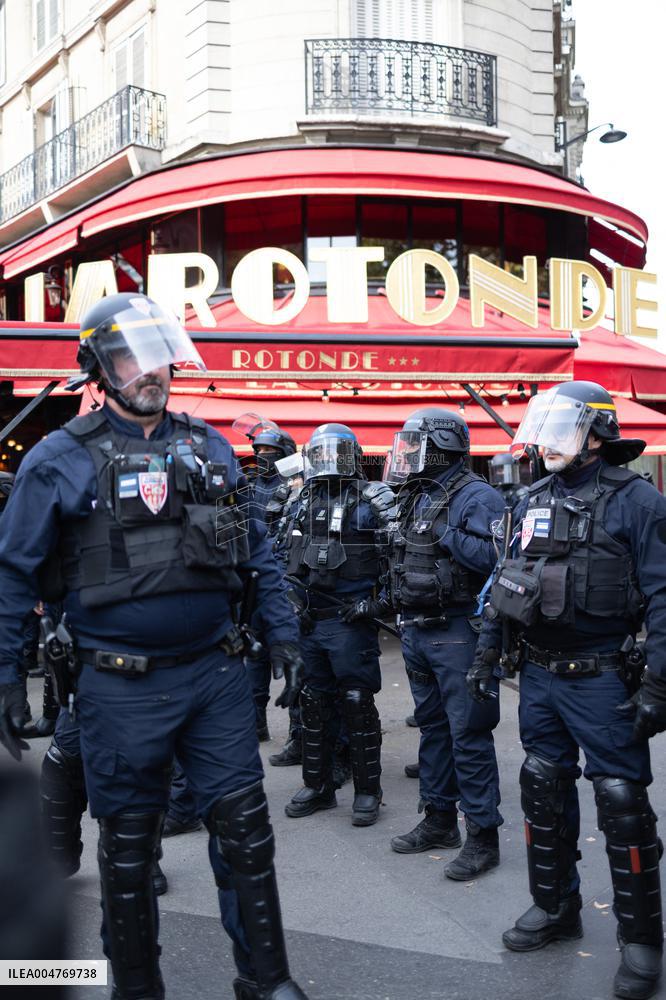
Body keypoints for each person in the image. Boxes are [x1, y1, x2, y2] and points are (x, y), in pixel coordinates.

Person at [0, 292, 308, 1000]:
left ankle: (268, 981)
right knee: (131, 849)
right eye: (130, 358)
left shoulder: (209, 446)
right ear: (98, 369)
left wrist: (284, 633)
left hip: (214, 674)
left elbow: (255, 548)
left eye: (158, 356)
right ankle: (138, 989)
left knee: (246, 831)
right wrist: (7, 674)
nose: (150, 371)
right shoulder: (56, 460)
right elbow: (13, 572)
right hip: (118, 686)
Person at [467, 380, 666, 1000]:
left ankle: (641, 939)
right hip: (539, 675)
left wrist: (660, 683)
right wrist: (486, 653)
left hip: (603, 676)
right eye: (544, 428)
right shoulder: (530, 500)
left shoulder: (639, 502)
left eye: (561, 429)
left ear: (597, 434)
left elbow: (665, 597)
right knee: (542, 785)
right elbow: (506, 579)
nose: (546, 442)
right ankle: (555, 907)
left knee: (620, 800)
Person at [349, 408, 505, 878]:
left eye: (418, 445)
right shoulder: (418, 494)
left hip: (458, 632)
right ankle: (439, 820)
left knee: (468, 735)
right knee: (434, 731)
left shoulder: (478, 495)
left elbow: (495, 556)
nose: (410, 453)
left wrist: (444, 531)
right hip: (417, 630)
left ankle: (483, 836)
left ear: (443, 447)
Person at [283, 423, 388, 826]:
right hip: (311, 620)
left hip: (351, 620)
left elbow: (398, 559)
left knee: (357, 703)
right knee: (313, 702)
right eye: (322, 452)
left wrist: (378, 604)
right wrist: (291, 601)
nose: (328, 461)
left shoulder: (373, 499)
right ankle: (319, 785)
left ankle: (368, 791)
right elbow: (282, 557)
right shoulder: (301, 501)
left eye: (336, 452)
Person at [232, 414, 297, 744]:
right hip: (254, 582)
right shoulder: (248, 484)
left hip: (286, 581)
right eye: (258, 450)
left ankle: (298, 736)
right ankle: (256, 723)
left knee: (292, 656)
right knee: (254, 657)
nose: (262, 456)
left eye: (270, 451)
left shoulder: (297, 486)